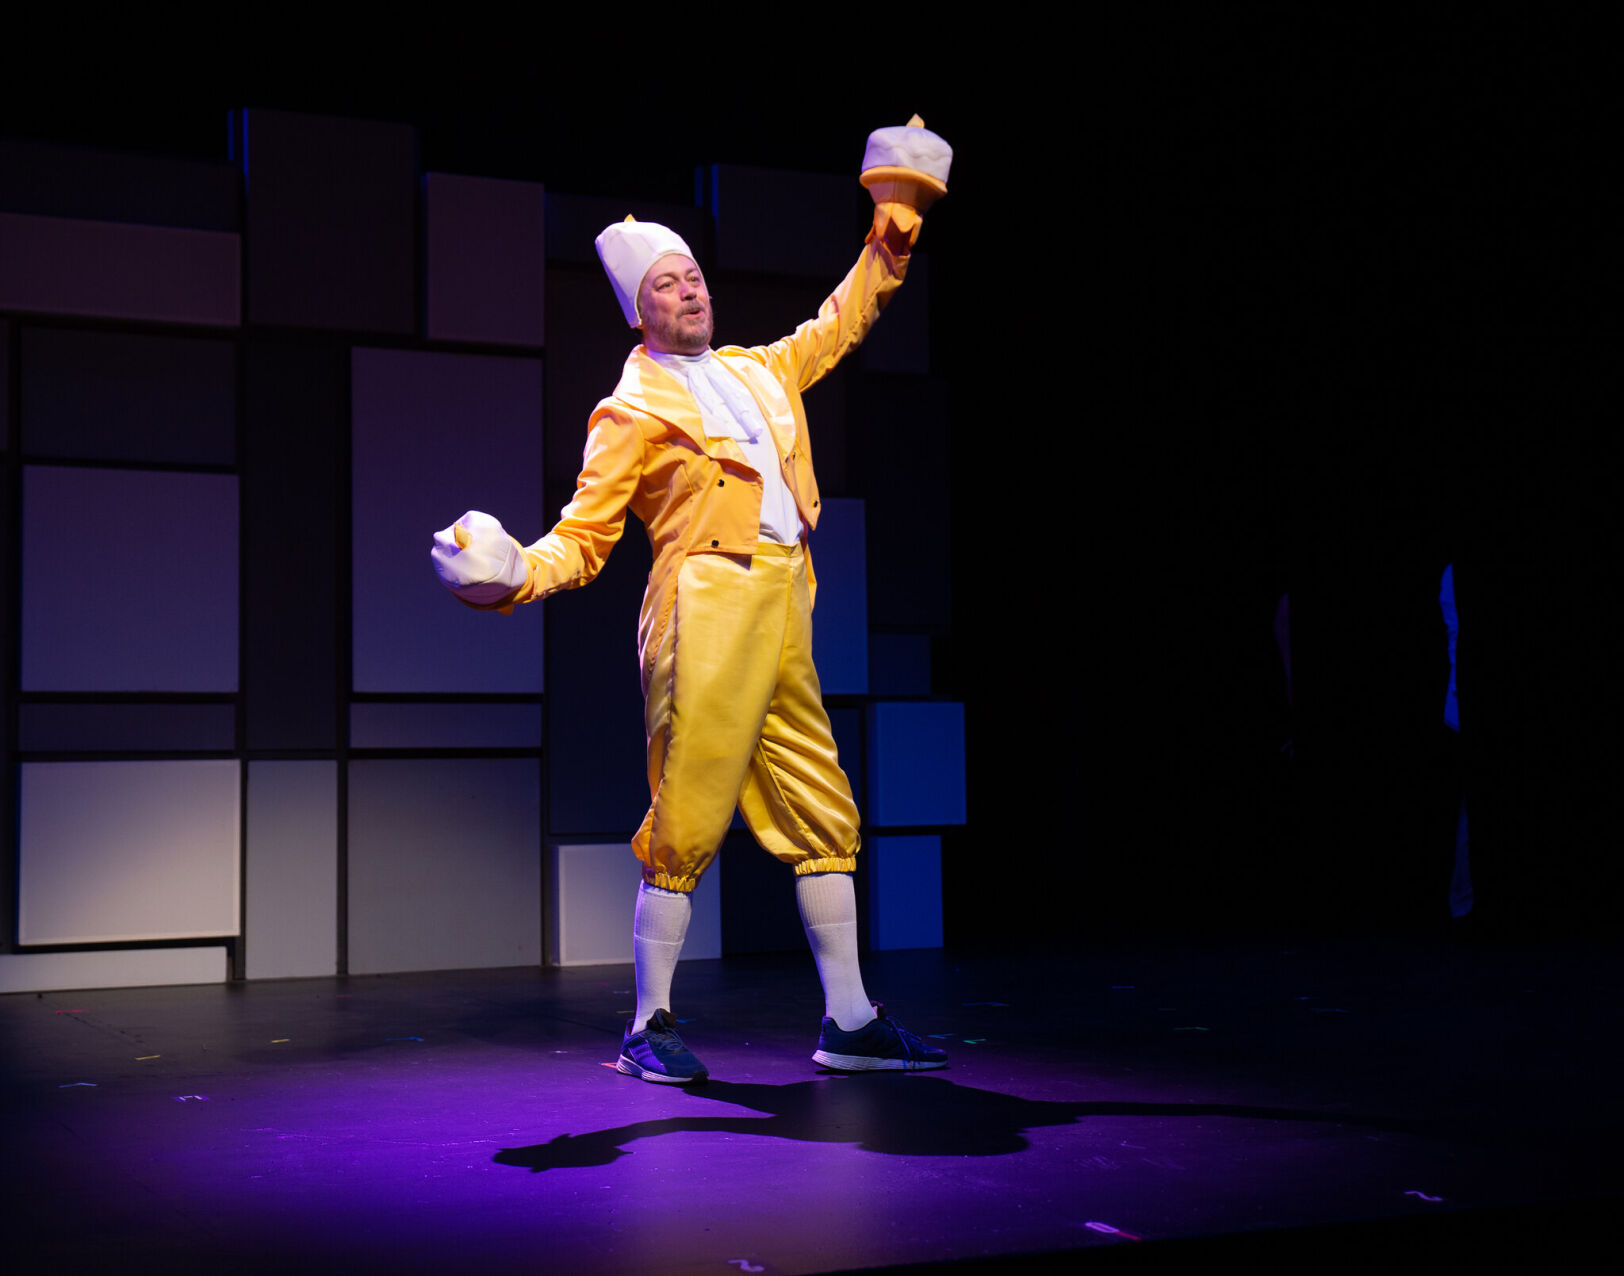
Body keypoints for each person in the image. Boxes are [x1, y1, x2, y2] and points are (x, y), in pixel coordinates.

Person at [430, 119, 952, 1083]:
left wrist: (894, 224)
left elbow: (842, 320)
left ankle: (849, 1018)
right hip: (702, 612)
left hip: (785, 598)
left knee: (822, 803)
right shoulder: (629, 414)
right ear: (639, 309)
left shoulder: (759, 370)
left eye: (696, 275)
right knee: (690, 812)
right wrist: (510, 570)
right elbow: (583, 541)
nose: (692, 288)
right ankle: (647, 1025)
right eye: (669, 282)